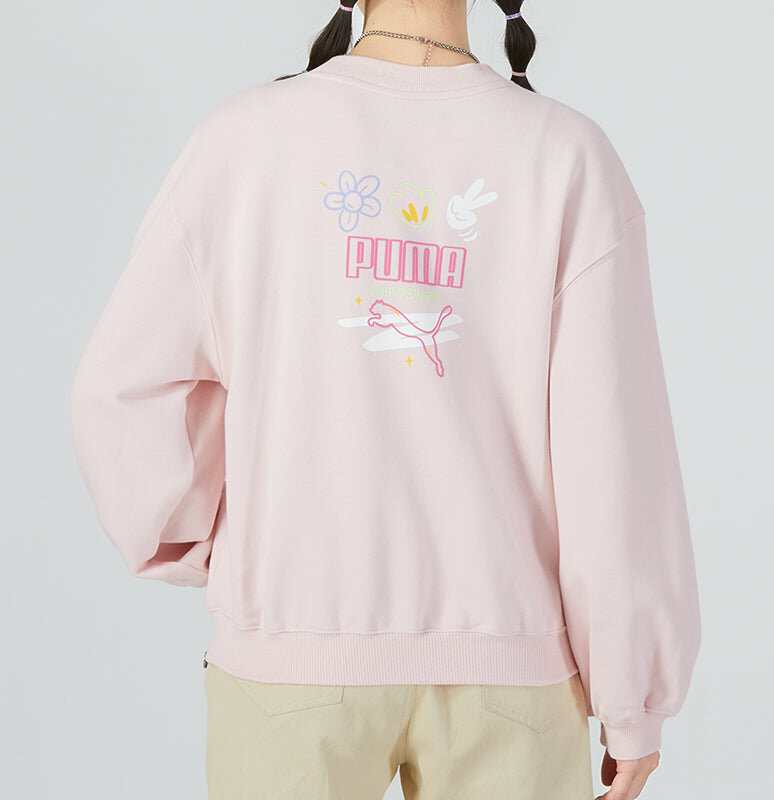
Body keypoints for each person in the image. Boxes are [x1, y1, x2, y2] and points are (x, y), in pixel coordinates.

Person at [68, 0, 702, 798]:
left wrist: (209, 537)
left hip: (290, 659)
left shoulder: (244, 140)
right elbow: (611, 451)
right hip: (513, 671)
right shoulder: (568, 155)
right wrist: (631, 699)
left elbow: (121, 392)